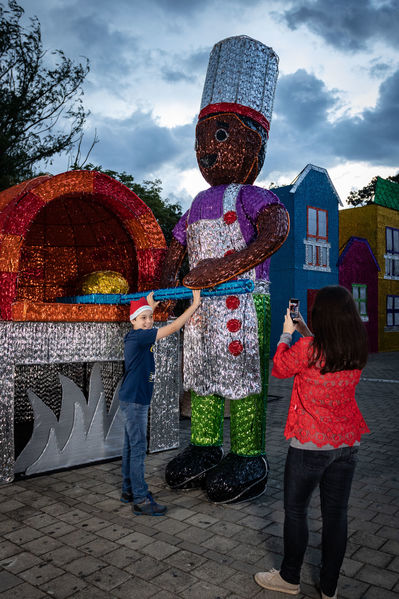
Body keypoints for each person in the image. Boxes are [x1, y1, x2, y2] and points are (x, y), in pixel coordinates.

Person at [255, 286, 369, 599]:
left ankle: (290, 578)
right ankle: (329, 589)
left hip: (310, 445)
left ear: (323, 315)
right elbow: (321, 347)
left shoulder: (307, 348)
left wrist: (284, 333)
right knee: (336, 516)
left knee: (296, 511)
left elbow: (279, 367)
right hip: (347, 445)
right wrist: (301, 326)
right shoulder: (356, 347)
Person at [119, 289, 201, 516]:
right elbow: (174, 328)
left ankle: (129, 490)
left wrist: (148, 307)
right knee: (137, 449)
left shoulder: (136, 335)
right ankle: (140, 498)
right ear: (132, 321)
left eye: (149, 318)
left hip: (133, 399)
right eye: (142, 319)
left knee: (130, 446)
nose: (147, 322)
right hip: (135, 401)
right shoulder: (140, 336)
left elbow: (145, 319)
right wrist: (193, 306)